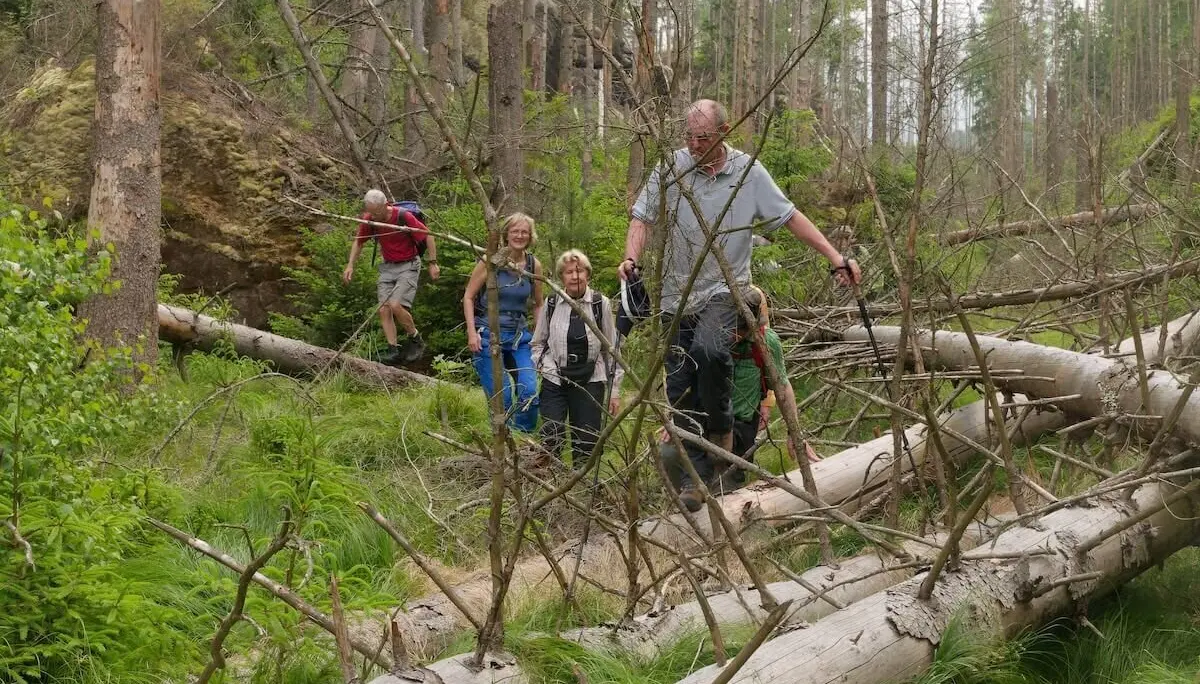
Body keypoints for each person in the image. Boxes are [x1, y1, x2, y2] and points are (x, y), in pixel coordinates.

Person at [620, 99, 860, 512]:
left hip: (725, 290)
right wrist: (631, 258)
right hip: (676, 298)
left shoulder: (747, 173)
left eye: (703, 138)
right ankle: (697, 480)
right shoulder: (671, 167)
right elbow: (642, 217)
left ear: (724, 133)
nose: (694, 146)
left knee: (710, 350)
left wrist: (834, 256)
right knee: (679, 388)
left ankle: (723, 431)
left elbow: (790, 217)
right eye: (689, 137)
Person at [531, 250, 624, 466]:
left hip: (591, 378)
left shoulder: (601, 304)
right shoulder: (552, 302)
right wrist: (543, 367)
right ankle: (549, 484)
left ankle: (580, 488)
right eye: (569, 272)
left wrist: (615, 391)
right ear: (561, 277)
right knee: (551, 433)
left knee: (587, 442)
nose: (575, 276)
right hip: (555, 377)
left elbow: (612, 349)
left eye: (579, 271)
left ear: (587, 275)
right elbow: (538, 342)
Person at [462, 213, 543, 434]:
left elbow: (538, 304)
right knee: (502, 396)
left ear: (530, 235)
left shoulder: (533, 264)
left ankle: (522, 439)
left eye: (524, 231)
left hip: (519, 336)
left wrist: (539, 338)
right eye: (515, 231)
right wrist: (471, 333)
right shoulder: (490, 261)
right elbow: (468, 297)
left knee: (529, 390)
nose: (519, 235)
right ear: (506, 233)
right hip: (488, 334)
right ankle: (503, 442)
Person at [342, 189, 440, 365]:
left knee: (395, 305)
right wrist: (350, 265)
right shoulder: (370, 219)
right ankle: (393, 350)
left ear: (385, 205)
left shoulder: (403, 217)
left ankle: (415, 338)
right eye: (370, 212)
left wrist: (432, 263)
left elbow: (429, 236)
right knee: (383, 309)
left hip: (408, 265)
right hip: (388, 267)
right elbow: (359, 241)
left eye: (377, 212)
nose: (374, 216)